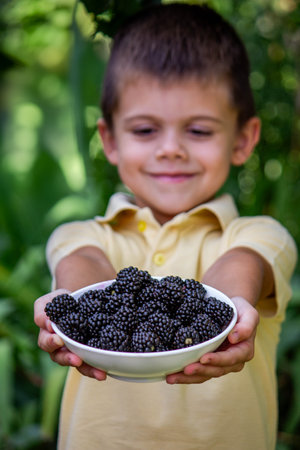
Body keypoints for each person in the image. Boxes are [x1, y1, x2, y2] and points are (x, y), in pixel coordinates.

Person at [34, 3, 297, 449]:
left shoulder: (259, 235)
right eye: (145, 131)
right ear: (110, 140)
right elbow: (82, 265)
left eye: (198, 131)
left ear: (243, 140)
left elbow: (240, 268)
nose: (171, 149)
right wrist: (71, 308)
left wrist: (225, 314)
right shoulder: (82, 234)